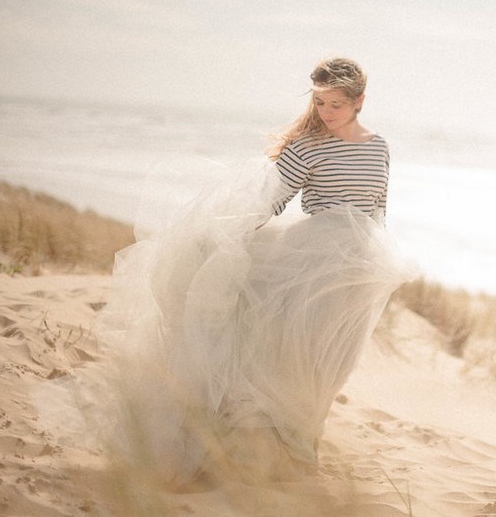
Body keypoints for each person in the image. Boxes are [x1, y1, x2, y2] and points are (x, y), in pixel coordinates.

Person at [53, 57, 415, 485]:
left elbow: (380, 206)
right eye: (320, 103)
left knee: (334, 365)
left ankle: (303, 449)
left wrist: (381, 259)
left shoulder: (379, 146)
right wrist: (228, 235)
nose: (327, 112)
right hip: (311, 263)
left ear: (359, 102)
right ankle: (277, 453)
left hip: (359, 268)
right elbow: (272, 200)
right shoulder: (307, 147)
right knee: (298, 361)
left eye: (336, 104)